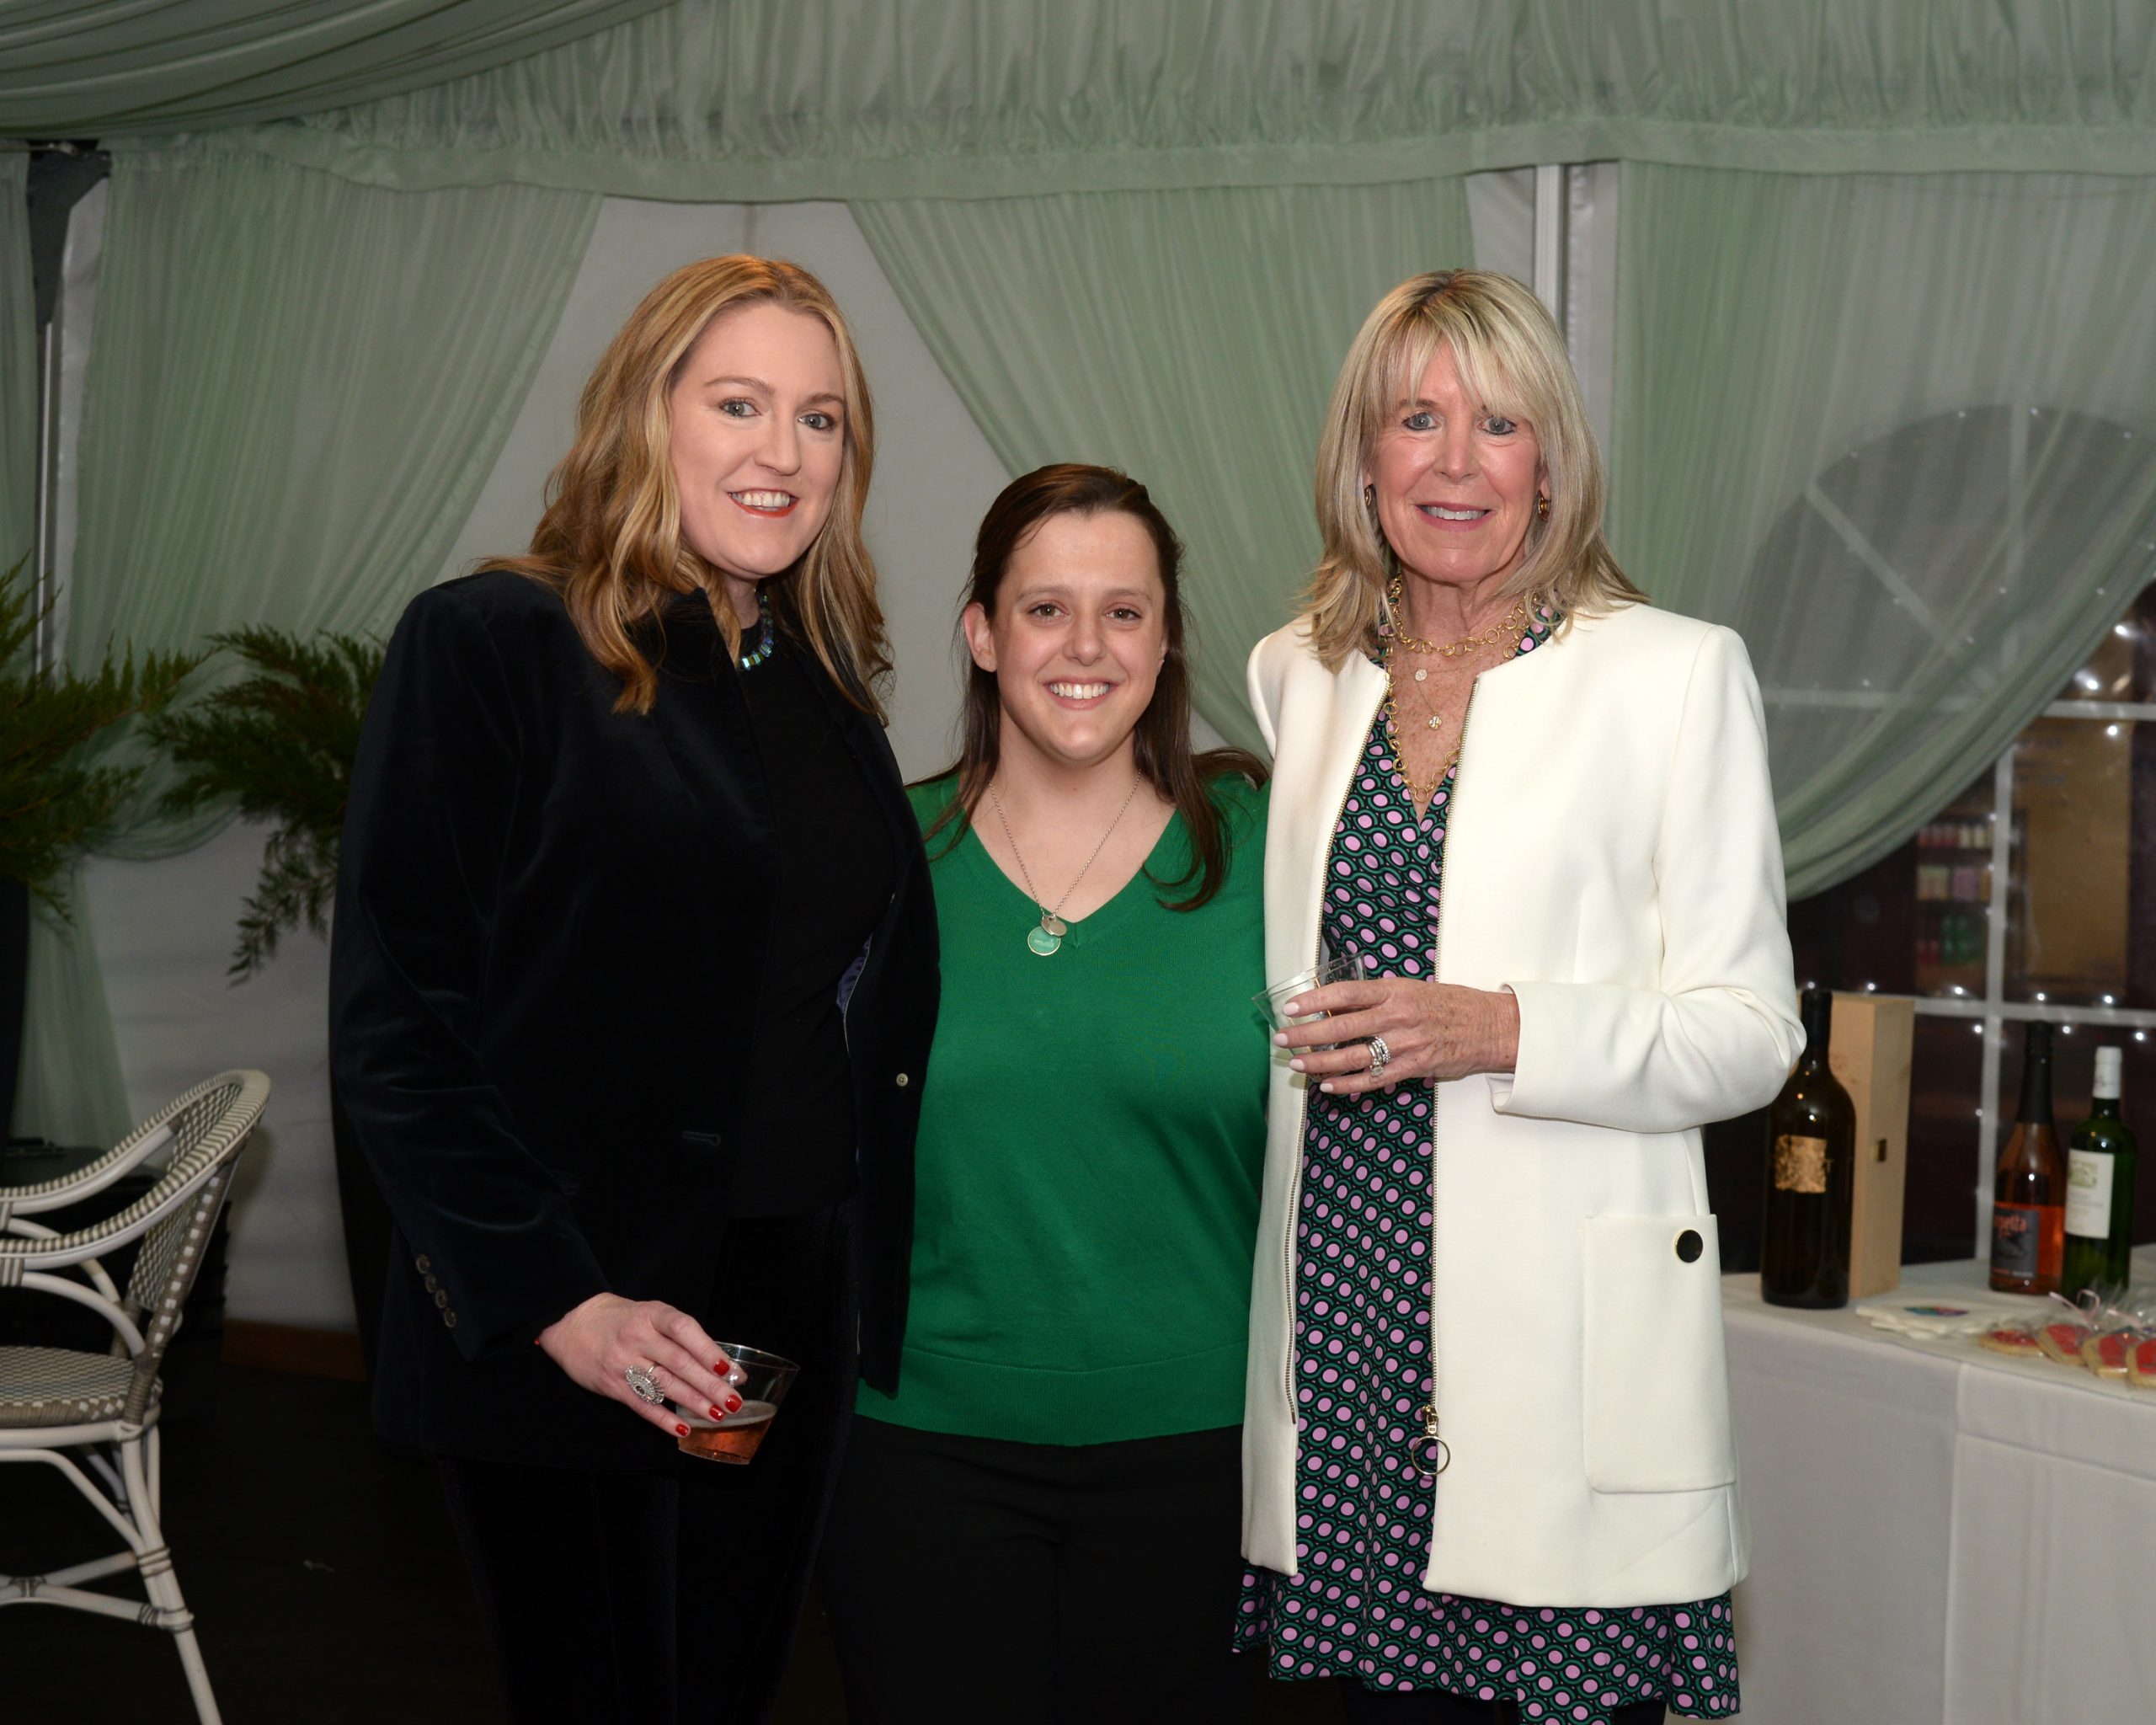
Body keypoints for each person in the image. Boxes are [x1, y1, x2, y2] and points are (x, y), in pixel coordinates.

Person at [329, 255, 938, 1724]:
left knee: (723, 1687)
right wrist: (561, 1303)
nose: (782, 451)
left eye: (820, 419)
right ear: (644, 414)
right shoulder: (496, 643)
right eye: (738, 404)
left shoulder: (816, 679)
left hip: (777, 1305)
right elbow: (399, 1030)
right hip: (586, 1317)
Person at [1233, 270, 1802, 1724]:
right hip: (1342, 1328)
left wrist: (1505, 1029)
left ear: (1551, 463)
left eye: (1499, 423)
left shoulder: (1674, 677)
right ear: (1364, 458)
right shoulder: (1302, 674)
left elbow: (1752, 1034)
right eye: (1416, 418)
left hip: (1557, 1359)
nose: (1456, 461)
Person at [816, 464, 1269, 1722]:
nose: (1085, 646)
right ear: (981, 633)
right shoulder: (884, 859)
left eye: (1124, 612)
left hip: (1201, 1454)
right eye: (1044, 610)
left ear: (1166, 642)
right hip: (918, 1451)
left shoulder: (1267, 853)